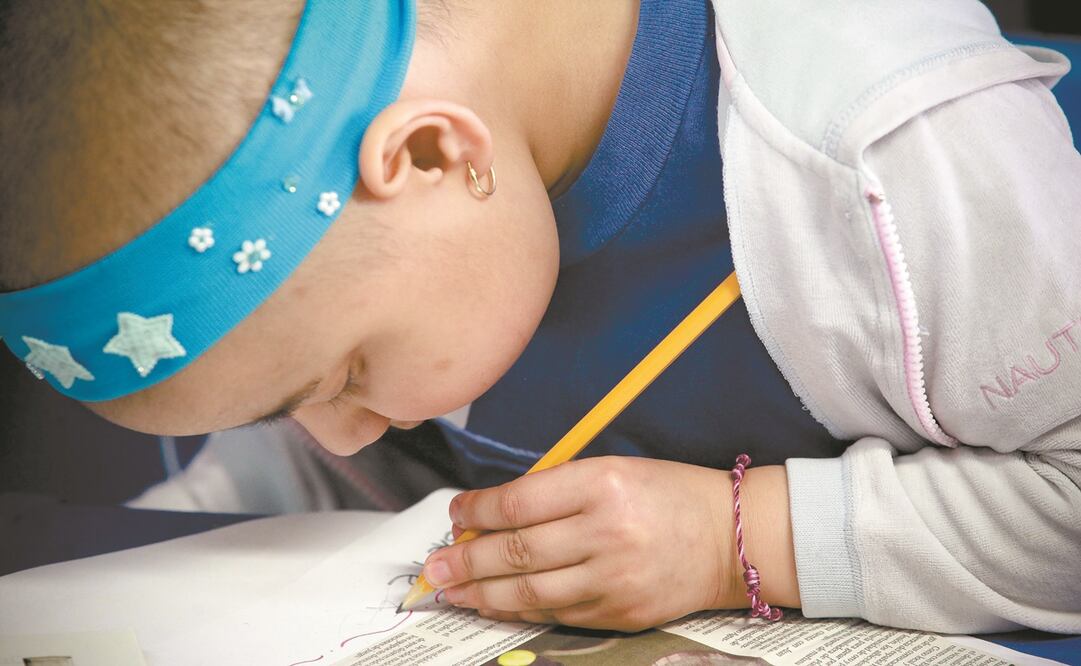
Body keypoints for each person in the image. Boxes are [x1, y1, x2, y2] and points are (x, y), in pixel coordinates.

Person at [1, 0, 1079, 636]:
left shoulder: (885, 141)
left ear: (430, 154)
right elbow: (348, 480)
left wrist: (734, 542)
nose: (343, 433)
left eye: (336, 379)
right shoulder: (417, 246)